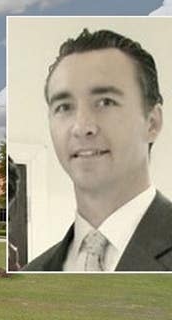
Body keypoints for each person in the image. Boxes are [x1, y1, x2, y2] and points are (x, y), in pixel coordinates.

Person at [23, 28, 172, 271]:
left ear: (152, 122)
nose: (81, 127)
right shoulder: (33, 272)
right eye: (64, 106)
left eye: (105, 102)